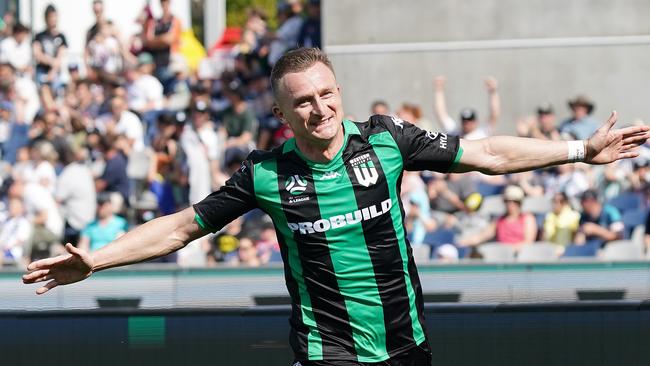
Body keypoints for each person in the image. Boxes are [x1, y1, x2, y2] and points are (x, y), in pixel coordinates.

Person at [22, 48, 650, 366]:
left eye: (327, 93)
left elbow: (486, 152)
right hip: (330, 356)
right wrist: (96, 262)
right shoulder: (265, 174)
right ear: (282, 113)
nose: (319, 108)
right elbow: (182, 227)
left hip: (409, 348)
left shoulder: (386, 140)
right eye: (303, 101)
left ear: (339, 93)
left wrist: (578, 149)